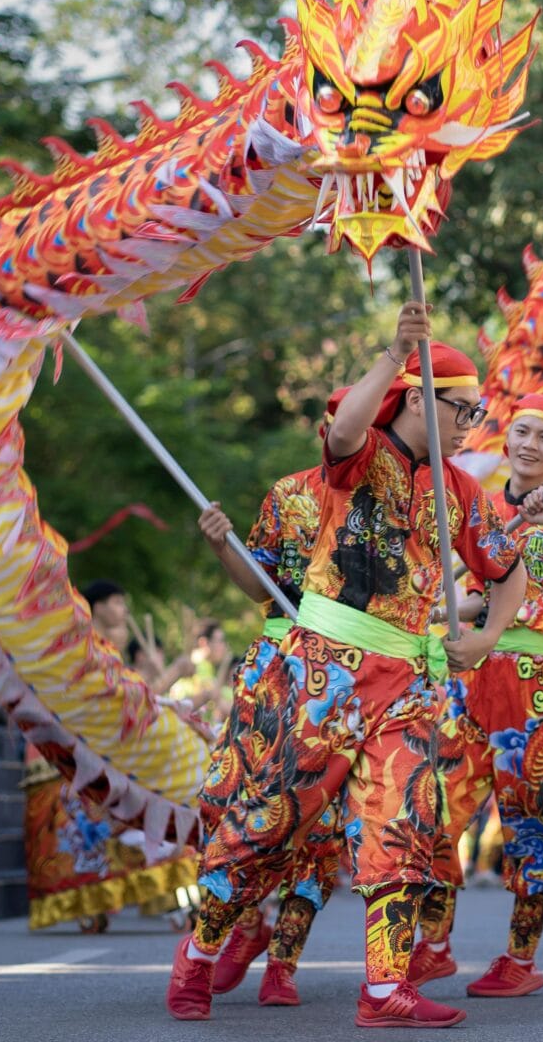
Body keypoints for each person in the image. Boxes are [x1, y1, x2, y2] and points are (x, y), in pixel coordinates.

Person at [168, 304, 527, 1029]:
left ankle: (383, 990)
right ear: (421, 397)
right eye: (465, 409)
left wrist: (486, 639)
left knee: (402, 826)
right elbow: (339, 429)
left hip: (409, 682)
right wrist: (397, 350)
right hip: (323, 674)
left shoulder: (460, 492)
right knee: (270, 824)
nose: (473, 424)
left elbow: (509, 572)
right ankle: (199, 953)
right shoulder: (356, 459)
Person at [418, 393, 543, 998]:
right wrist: (453, 609)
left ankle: (520, 959)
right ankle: (432, 944)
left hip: (541, 688)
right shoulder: (476, 508)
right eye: (523, 433)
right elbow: (481, 595)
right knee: (432, 810)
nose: (530, 445)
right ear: (506, 442)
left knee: (536, 824)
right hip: (472, 676)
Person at [191, 388, 348, 1006]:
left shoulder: (397, 504)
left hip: (344, 676)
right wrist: (222, 546)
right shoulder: (290, 494)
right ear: (327, 429)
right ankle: (242, 922)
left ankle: (284, 964)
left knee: (318, 824)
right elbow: (260, 582)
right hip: (276, 667)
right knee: (227, 801)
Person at [22, 579, 199, 933]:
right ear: (98, 606)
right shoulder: (84, 647)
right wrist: (173, 675)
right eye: (117, 602)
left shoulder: (104, 649)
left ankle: (159, 898)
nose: (123, 610)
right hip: (74, 756)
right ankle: (111, 901)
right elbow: (122, 706)